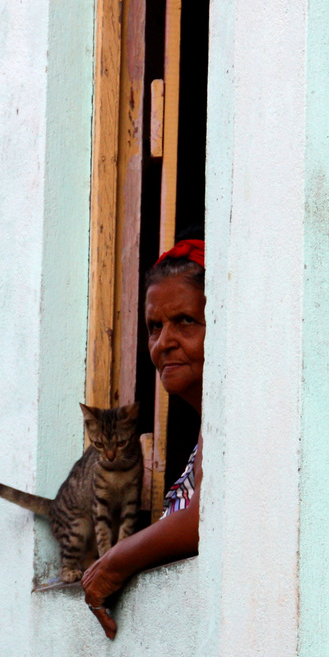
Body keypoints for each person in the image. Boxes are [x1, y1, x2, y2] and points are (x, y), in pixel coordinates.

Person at [79, 235, 205, 633]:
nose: (164, 342)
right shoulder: (210, 427)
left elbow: (211, 517)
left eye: (185, 321)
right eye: (154, 326)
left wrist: (117, 560)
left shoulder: (243, 416)